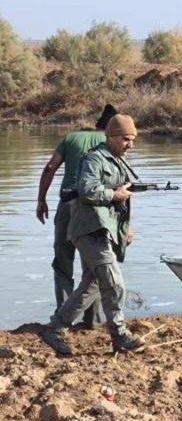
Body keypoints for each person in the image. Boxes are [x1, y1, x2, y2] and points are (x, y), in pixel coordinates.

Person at [42, 114, 145, 355]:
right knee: (114, 281)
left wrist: (126, 227)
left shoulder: (119, 160)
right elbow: (87, 190)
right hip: (88, 230)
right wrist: (113, 195)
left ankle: (55, 328)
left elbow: (124, 197)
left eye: (132, 139)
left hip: (104, 229)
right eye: (125, 139)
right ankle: (120, 335)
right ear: (110, 137)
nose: (129, 144)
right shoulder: (95, 159)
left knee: (92, 285)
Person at [36, 104, 118, 327]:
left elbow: (50, 167)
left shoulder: (71, 138)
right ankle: (93, 320)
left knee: (63, 263)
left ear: (97, 123)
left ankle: (63, 318)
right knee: (93, 267)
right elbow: (121, 185)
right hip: (95, 210)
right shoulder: (113, 144)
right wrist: (125, 225)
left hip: (67, 204)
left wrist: (41, 199)